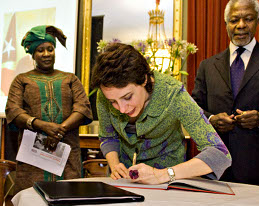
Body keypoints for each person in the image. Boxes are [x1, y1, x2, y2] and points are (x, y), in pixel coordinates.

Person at [192, 0, 259, 187]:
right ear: (226, 24)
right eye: (234, 20)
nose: (241, 25)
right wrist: (212, 120)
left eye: (248, 19)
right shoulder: (207, 65)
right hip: (215, 168)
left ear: (258, 21)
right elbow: (194, 108)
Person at [90, 43, 231, 184]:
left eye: (127, 97)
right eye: (113, 102)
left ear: (144, 80)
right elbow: (108, 137)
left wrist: (163, 175)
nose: (121, 109)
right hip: (124, 181)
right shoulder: (105, 95)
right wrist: (115, 165)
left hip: (169, 181)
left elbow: (220, 154)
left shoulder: (174, 94)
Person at [5, 25, 93, 193]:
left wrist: (60, 130)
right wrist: (42, 126)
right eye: (40, 50)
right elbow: (13, 111)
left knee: (69, 195)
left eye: (50, 49)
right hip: (33, 157)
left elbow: (83, 108)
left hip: (67, 152)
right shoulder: (22, 80)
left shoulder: (70, 78)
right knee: (33, 197)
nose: (46, 54)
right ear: (33, 54)